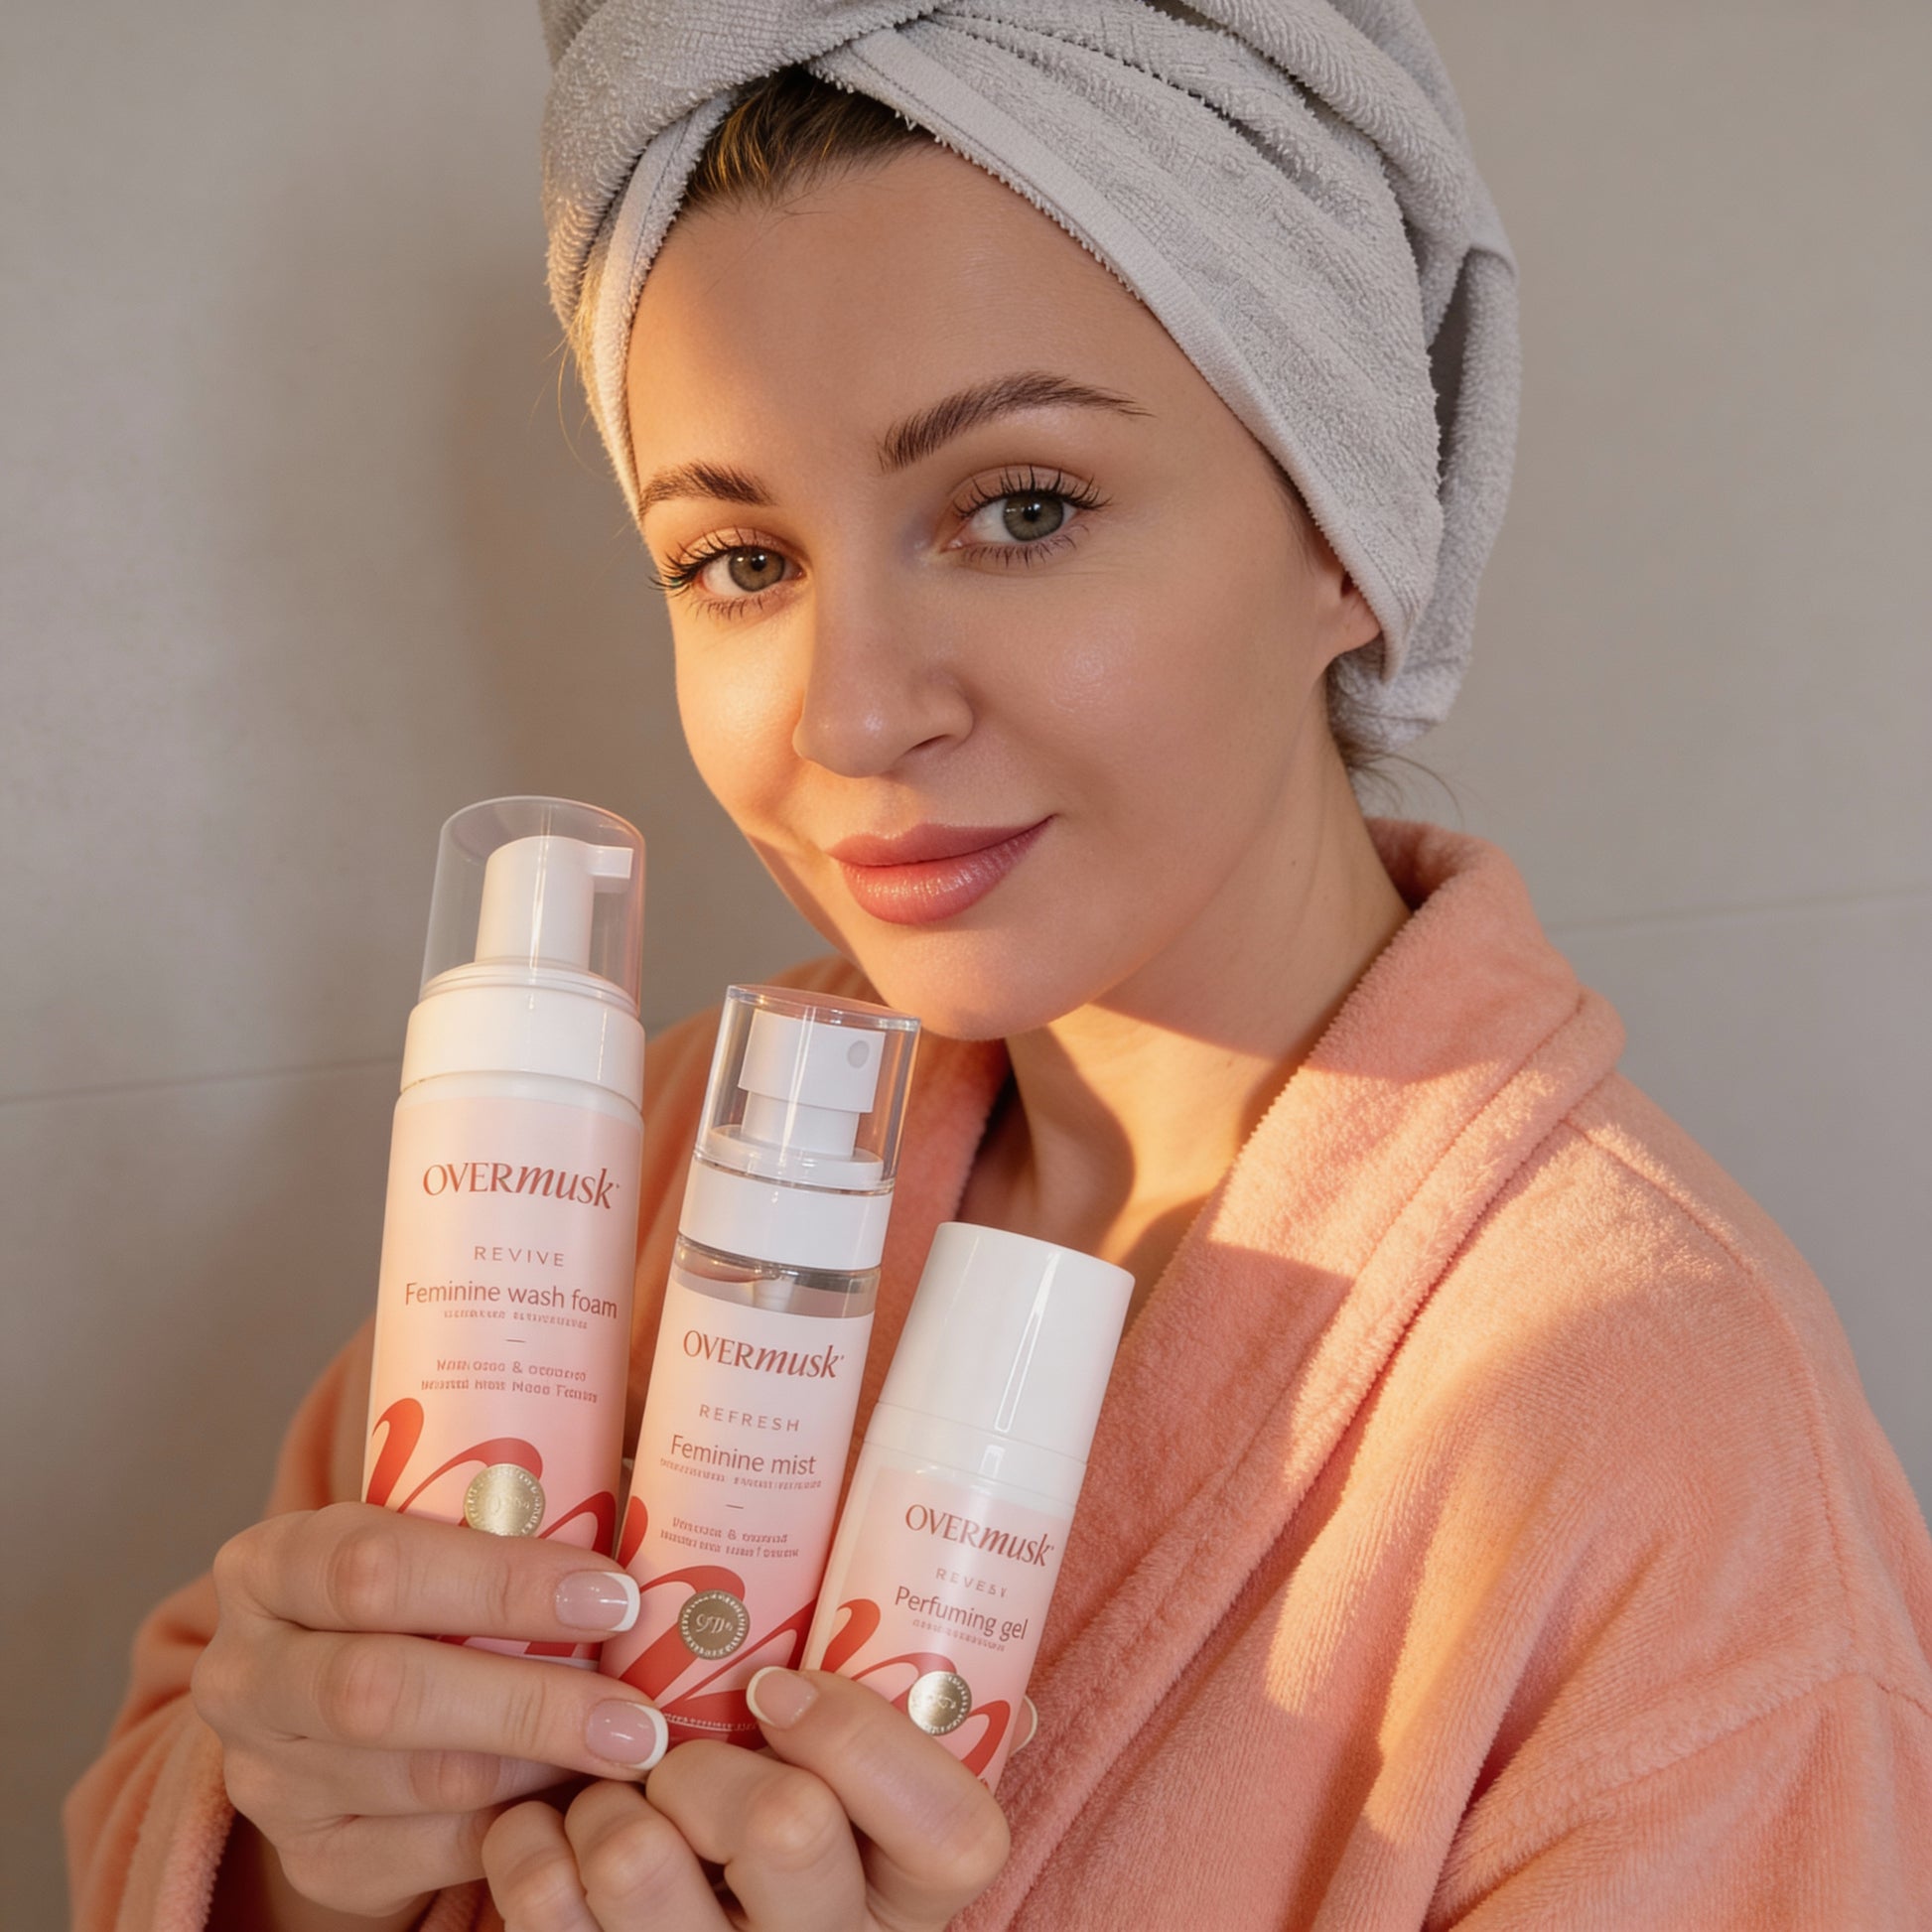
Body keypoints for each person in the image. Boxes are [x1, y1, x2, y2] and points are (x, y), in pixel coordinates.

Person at [67, 6, 1932, 1929]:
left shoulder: (1659, 1438)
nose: (850, 715)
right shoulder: (628, 1162)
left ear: (1355, 528)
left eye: (1019, 509)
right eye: (738, 560)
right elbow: (193, 1793)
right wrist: (316, 1845)